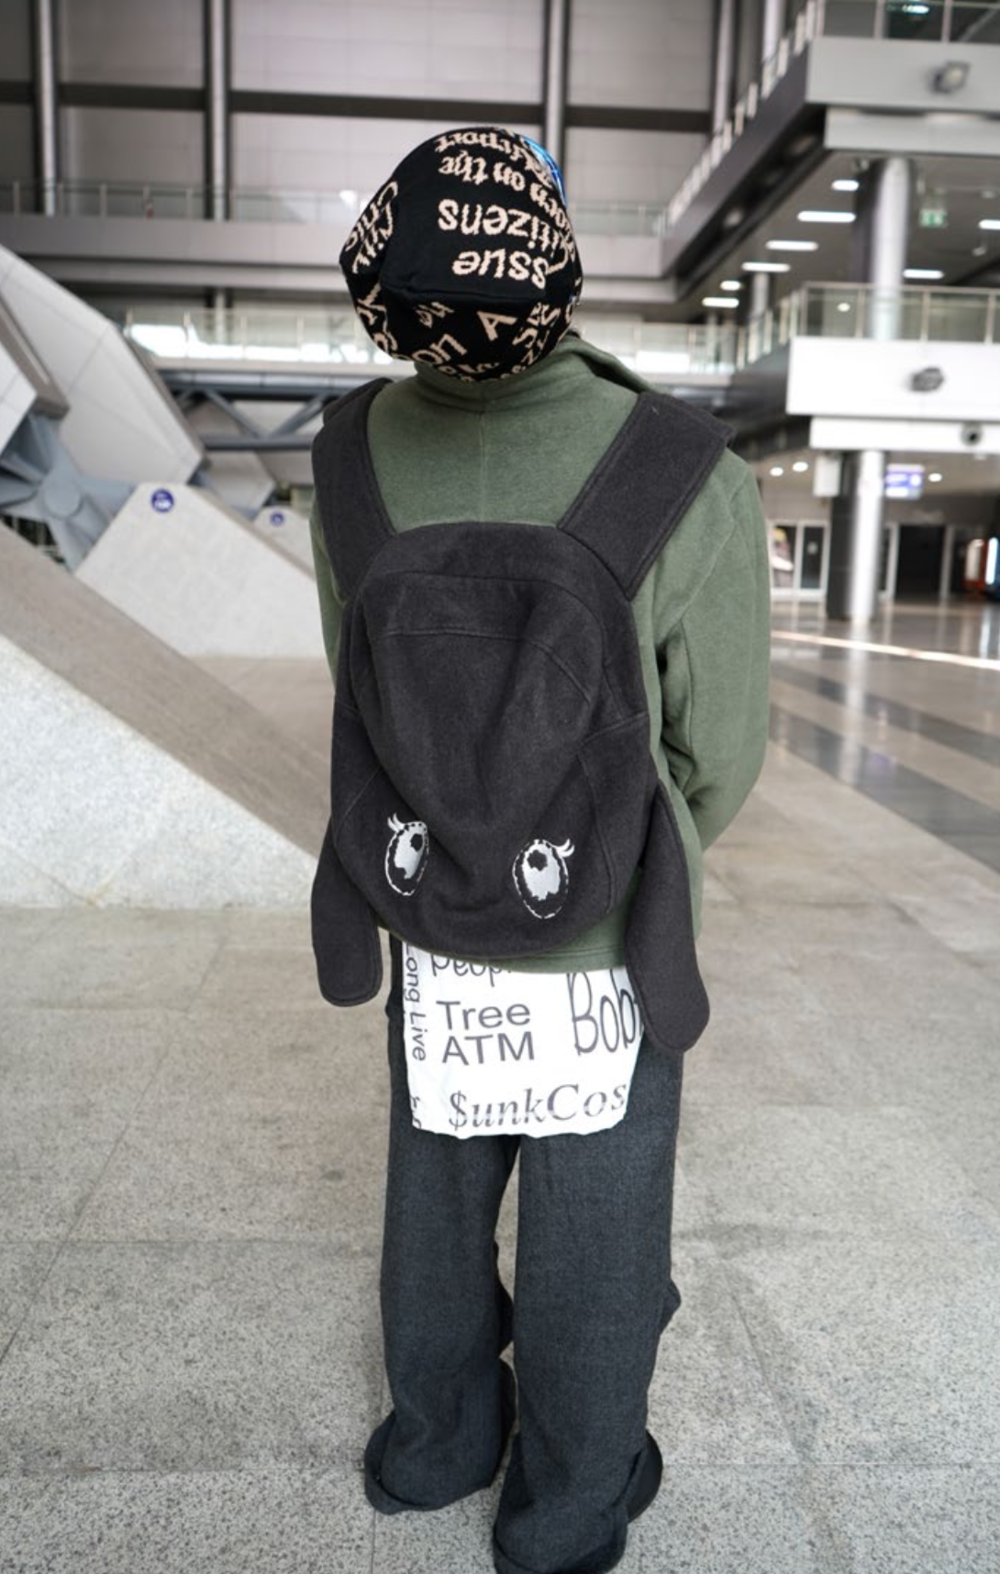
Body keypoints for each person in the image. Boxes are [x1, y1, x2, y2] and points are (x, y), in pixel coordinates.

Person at [310, 126, 770, 1574]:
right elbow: (723, 746)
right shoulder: (684, 469)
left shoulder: (346, 456)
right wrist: (616, 842)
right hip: (610, 935)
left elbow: (360, 691)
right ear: (559, 266)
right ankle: (566, 1507)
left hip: (433, 920)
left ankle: (435, 1444)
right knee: (599, 1231)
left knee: (435, 1200)